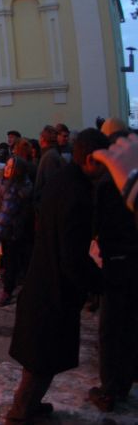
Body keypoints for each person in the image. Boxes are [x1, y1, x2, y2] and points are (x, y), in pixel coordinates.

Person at [5, 129, 108, 424]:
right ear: (91, 159)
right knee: (41, 360)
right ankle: (20, 414)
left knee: (41, 358)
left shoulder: (64, 181)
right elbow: (72, 255)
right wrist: (96, 283)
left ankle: (29, 407)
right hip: (53, 289)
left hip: (44, 281)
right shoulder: (76, 193)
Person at [88, 147, 138, 412]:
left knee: (111, 328)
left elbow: (99, 225)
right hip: (129, 259)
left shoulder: (109, 185)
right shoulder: (131, 179)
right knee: (129, 323)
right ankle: (125, 378)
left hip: (116, 261)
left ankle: (109, 389)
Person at [0, 157, 32, 305]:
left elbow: (7, 213)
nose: (6, 168)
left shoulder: (17, 188)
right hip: (8, 230)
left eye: (10, 167)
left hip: (14, 230)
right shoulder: (5, 184)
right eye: (6, 165)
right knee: (10, 260)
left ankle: (8, 291)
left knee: (13, 261)